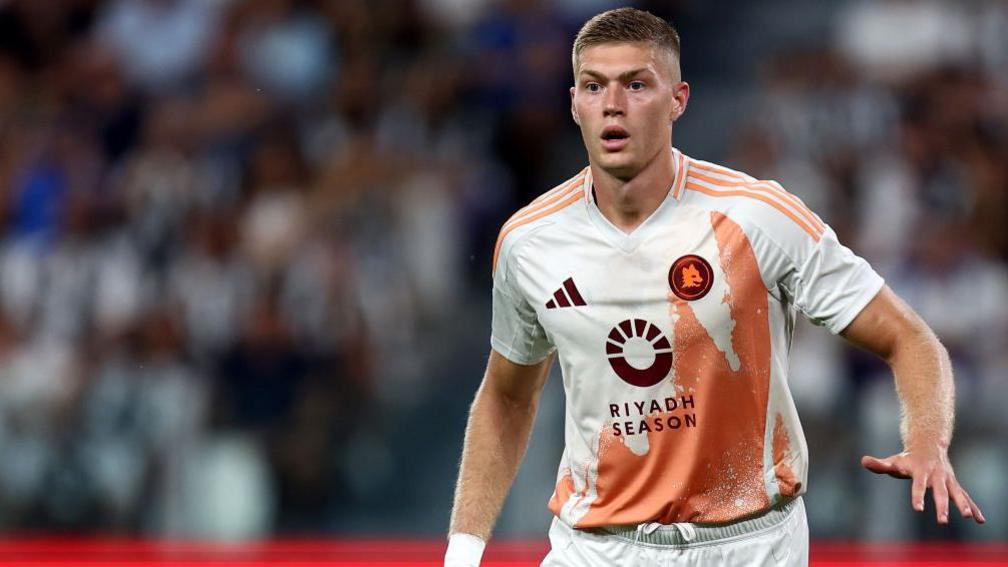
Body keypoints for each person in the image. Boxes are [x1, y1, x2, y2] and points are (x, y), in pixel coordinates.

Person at [444, 7, 986, 566]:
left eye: (636, 85)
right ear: (574, 104)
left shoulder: (758, 217)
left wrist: (926, 441)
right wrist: (463, 550)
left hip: (751, 544)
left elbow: (908, 337)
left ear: (678, 100)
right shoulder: (530, 242)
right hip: (597, 548)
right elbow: (507, 395)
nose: (613, 104)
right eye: (593, 86)